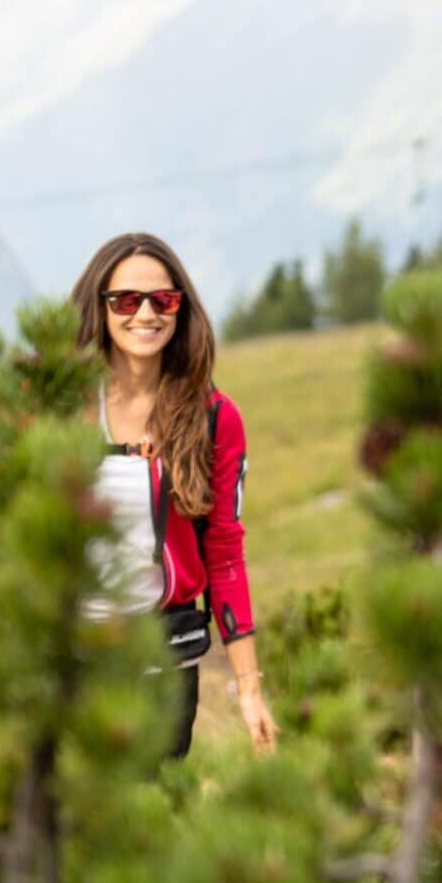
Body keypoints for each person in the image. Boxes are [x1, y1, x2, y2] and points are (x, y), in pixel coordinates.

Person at [70, 232, 278, 758]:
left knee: (147, 825)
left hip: (163, 667)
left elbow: (225, 555)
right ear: (100, 309)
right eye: (125, 300)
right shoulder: (58, 408)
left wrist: (249, 688)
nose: (145, 313)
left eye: (163, 299)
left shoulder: (214, 417)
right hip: (66, 663)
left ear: (181, 309)